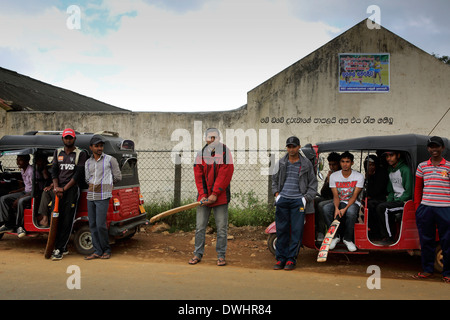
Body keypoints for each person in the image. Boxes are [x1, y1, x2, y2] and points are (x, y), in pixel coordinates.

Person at [271, 136, 318, 270]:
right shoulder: (280, 163)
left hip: (298, 202)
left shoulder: (306, 164)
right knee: (282, 230)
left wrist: (305, 198)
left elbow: (313, 184)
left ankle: (291, 259)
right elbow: (274, 181)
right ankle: (280, 259)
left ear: (298, 147)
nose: (291, 149)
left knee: (297, 231)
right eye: (289, 146)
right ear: (287, 148)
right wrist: (277, 195)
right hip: (283, 200)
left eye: (294, 146)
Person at [189, 128, 234, 266]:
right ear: (205, 139)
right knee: (200, 227)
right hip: (203, 198)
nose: (212, 140)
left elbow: (225, 174)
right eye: (210, 137)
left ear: (219, 138)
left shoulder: (225, 153)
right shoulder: (200, 154)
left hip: (220, 197)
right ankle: (197, 254)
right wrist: (203, 195)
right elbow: (198, 175)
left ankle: (221, 255)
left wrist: (214, 194)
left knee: (221, 228)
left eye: (215, 137)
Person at [412, 136, 450, 283]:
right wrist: (417, 207)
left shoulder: (448, 166)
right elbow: (417, 189)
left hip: (445, 208)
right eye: (431, 147)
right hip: (426, 208)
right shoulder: (422, 166)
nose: (434, 149)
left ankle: (447, 272)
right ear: (428, 149)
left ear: (442, 148)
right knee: (426, 240)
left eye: (437, 147)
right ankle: (427, 270)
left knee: (447, 241)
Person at [50, 128, 88, 261]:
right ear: (62, 139)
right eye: (66, 138)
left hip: (71, 190)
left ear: (74, 139)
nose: (68, 140)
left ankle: (59, 249)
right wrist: (56, 187)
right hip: (58, 191)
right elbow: (54, 171)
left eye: (70, 138)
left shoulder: (80, 154)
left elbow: (78, 175)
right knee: (55, 218)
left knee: (67, 220)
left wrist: (64, 189)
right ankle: (59, 246)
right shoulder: (57, 152)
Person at [84, 135, 122, 260]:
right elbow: (87, 178)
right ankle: (97, 251)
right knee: (93, 224)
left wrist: (107, 185)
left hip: (103, 196)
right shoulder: (88, 162)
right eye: (97, 146)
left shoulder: (110, 160)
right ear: (91, 147)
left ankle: (106, 250)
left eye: (101, 146)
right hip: (91, 196)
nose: (100, 148)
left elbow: (117, 177)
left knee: (101, 225)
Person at [323, 151, 364, 252]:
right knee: (326, 209)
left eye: (347, 161)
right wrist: (337, 208)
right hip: (339, 201)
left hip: (352, 202)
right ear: (340, 162)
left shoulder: (359, 176)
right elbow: (336, 196)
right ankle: (334, 236)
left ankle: (348, 239)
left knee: (350, 212)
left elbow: (354, 197)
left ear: (352, 163)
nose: (345, 164)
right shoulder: (334, 176)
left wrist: (344, 209)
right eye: (343, 161)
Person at [374, 151, 412, 244]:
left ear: (398, 155)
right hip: (395, 200)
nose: (388, 158)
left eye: (391, 155)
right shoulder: (390, 170)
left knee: (383, 208)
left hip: (405, 202)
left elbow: (408, 192)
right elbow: (390, 190)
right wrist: (389, 200)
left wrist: (396, 200)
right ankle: (376, 234)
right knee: (374, 204)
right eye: (387, 156)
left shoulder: (405, 170)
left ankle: (388, 237)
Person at [0, 155, 33, 238]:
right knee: (4, 198)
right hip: (25, 192)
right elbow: (26, 186)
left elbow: (34, 189)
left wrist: (20, 198)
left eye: (20, 160)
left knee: (21, 201)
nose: (18, 162)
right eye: (17, 160)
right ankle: (8, 224)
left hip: (32, 194)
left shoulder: (31, 171)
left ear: (27, 161)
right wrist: (16, 192)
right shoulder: (22, 170)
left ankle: (20, 226)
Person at [314, 152, 341, 241]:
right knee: (315, 201)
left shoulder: (342, 174)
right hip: (329, 198)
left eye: (334, 165)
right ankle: (316, 228)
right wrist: (328, 182)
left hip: (339, 199)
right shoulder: (330, 174)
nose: (332, 167)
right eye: (330, 164)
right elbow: (323, 193)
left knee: (321, 205)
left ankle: (322, 232)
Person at [362, 155, 389, 239]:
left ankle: (376, 232)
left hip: (382, 198)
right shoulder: (368, 175)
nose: (369, 167)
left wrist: (369, 178)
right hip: (373, 198)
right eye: (367, 165)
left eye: (372, 165)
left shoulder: (382, 173)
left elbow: (376, 191)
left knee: (371, 205)